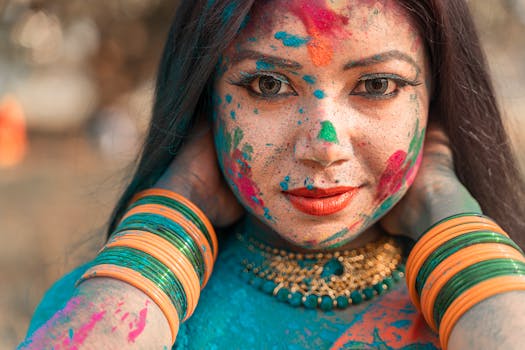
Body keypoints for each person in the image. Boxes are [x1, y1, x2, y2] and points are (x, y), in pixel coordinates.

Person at [19, 0, 525, 349]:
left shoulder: (494, 305)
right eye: (267, 84)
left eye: (375, 84)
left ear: (434, 99)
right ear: (206, 102)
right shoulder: (106, 304)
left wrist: (447, 213)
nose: (323, 148)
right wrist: (177, 206)